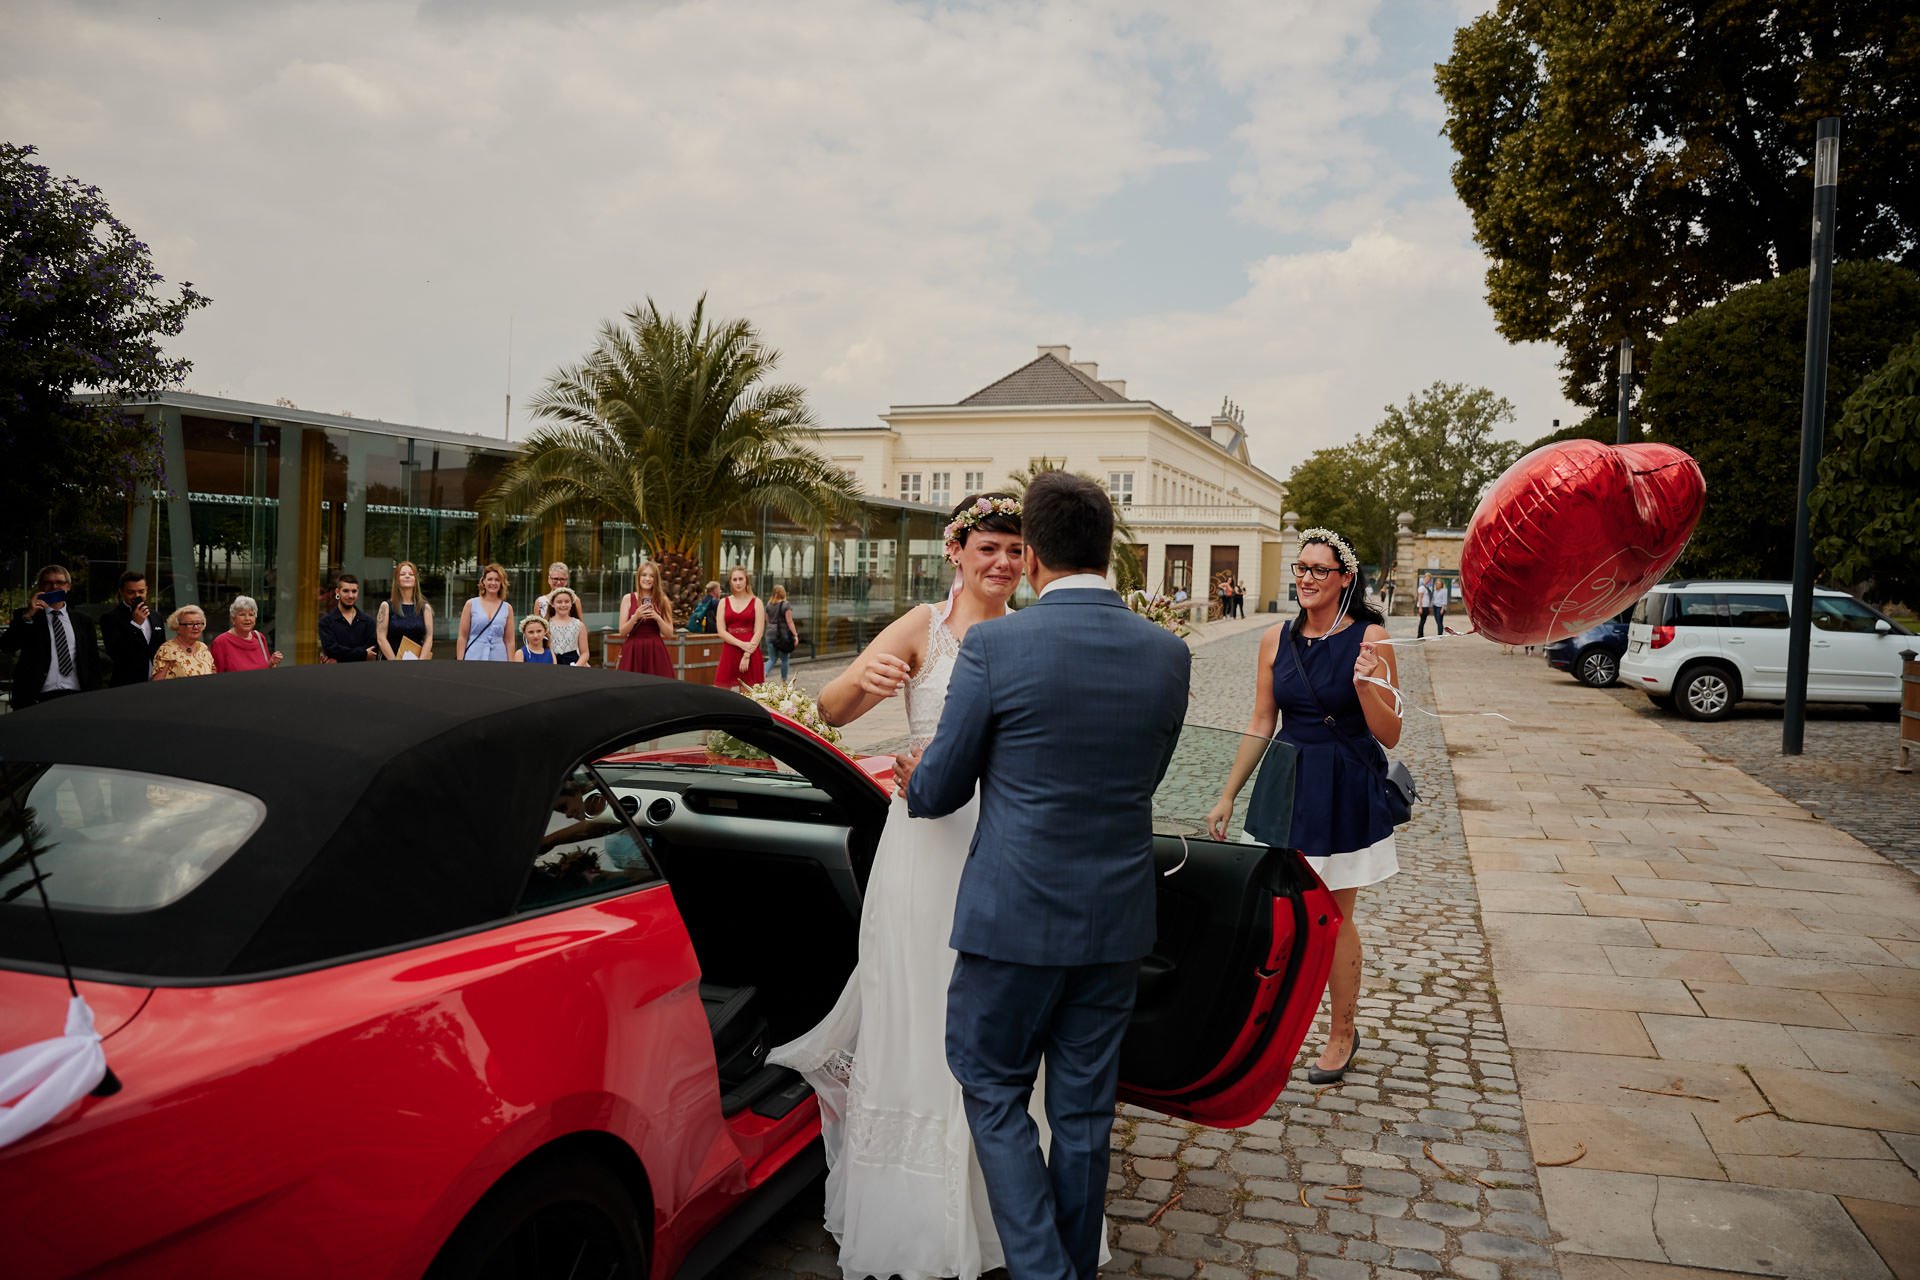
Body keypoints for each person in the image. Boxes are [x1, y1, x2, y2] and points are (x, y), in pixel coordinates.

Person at [897, 473, 1191, 1280]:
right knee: (1085, 1112)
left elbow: (944, 787)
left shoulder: (996, 646)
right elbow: (1145, 775)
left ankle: (1043, 1272)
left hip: (1012, 917)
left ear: (1034, 559)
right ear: (1111, 552)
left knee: (991, 1086)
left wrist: (916, 773)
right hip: (1117, 919)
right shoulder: (1168, 654)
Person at [769, 491, 1035, 1280]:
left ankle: (995, 1201)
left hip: (1004, 844)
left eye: (1015, 551)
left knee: (998, 1010)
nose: (1002, 563)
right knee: (920, 1000)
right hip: (924, 845)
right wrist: (869, 680)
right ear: (956, 551)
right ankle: (914, 1211)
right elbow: (831, 708)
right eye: (988, 547)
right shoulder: (923, 626)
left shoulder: (1030, 633)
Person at [1206, 527, 1402, 1087]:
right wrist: (1228, 793)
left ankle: (1342, 1033)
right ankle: (1265, 1028)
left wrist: (1367, 690)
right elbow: (1262, 720)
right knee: (1276, 915)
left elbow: (1390, 734)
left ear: (1345, 579)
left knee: (1334, 918)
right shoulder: (1275, 638)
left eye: (1320, 570)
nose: (1306, 579)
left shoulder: (1373, 638)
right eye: (1301, 568)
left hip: (1343, 786)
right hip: (1285, 783)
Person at [2, 564, 102, 708]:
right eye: (48, 583)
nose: (54, 587)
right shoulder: (26, 615)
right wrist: (29, 615)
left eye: (59, 583)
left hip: (76, 694)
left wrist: (94, 696)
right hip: (36, 697)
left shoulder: (83, 621)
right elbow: (8, 646)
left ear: (68, 586)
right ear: (40, 587)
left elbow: (93, 661)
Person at [100, 570, 165, 688]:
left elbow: (162, 649)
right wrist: (135, 625)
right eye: (131, 592)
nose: (137, 596)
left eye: (141, 591)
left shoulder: (156, 616)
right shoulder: (110, 618)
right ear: (121, 592)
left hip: (156, 683)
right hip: (127, 684)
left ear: (146, 589)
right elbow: (116, 652)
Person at [616, 562, 676, 677]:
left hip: (655, 651)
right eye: (644, 575)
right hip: (633, 650)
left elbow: (669, 633)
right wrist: (636, 617)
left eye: (651, 576)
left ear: (656, 579)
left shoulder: (663, 600)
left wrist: (657, 617)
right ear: (638, 577)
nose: (647, 579)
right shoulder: (628, 598)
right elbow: (622, 632)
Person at [713, 567, 765, 691]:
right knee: (721, 694)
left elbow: (759, 631)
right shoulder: (723, 602)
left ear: (746, 580)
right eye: (734, 579)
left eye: (741, 579)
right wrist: (741, 644)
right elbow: (721, 631)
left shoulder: (757, 602)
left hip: (750, 653)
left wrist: (747, 654)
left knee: (748, 698)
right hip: (729, 651)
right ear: (730, 581)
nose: (738, 582)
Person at [376, 561, 434, 661]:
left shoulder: (425, 608)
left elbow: (429, 638)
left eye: (411, 574)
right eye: (402, 574)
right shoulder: (386, 606)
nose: (407, 576)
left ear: (415, 580)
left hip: (417, 663)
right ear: (397, 580)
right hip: (391, 663)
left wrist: (421, 661)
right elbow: (381, 638)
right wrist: (394, 661)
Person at [456, 563, 514, 661]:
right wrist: (460, 661)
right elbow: (462, 636)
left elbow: (509, 640)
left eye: (497, 580)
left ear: (501, 583)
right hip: (474, 656)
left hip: (499, 657)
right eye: (490, 579)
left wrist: (512, 663)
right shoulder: (471, 604)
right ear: (483, 581)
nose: (493, 583)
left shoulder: (507, 608)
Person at [210, 596, 282, 672]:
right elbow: (216, 676)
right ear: (233, 619)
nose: (247, 618)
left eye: (251, 615)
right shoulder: (221, 642)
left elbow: (264, 669)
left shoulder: (259, 637)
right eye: (242, 615)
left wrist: (271, 663)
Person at [318, 574, 378, 663]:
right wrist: (363, 653)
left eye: (354, 591)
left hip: (363, 673)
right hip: (336, 673)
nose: (350, 596)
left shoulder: (368, 621)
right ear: (337, 592)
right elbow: (331, 650)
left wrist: (340, 655)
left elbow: (373, 651)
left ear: (358, 592)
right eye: (345, 591)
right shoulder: (326, 622)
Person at [151, 605, 216, 679]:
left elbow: (212, 676)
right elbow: (158, 684)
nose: (196, 627)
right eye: (190, 624)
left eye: (199, 623)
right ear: (177, 627)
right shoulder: (167, 650)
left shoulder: (203, 647)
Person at [764, 583, 800, 681]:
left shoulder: (768, 605)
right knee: (784, 659)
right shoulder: (786, 605)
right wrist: (795, 635)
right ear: (783, 593)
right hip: (782, 635)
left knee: (772, 658)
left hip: (769, 633)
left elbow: (768, 621)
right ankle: (784, 682)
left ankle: (763, 673)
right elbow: (789, 621)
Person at [545, 587, 586, 666]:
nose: (563, 605)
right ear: (552, 604)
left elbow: (585, 653)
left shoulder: (579, 625)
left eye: (567, 602)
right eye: (559, 602)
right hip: (551, 663)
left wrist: (576, 666)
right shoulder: (546, 625)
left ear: (571, 604)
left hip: (573, 664)